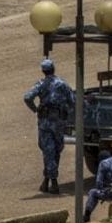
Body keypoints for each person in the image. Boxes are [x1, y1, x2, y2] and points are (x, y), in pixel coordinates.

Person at [23, 58, 76, 195]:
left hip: (45, 121)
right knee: (55, 150)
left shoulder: (41, 84)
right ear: (54, 69)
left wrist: (35, 109)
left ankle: (52, 181)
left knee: (48, 150)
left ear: (43, 71)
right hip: (59, 121)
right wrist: (67, 112)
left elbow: (27, 97)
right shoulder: (62, 84)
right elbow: (73, 101)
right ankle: (48, 181)